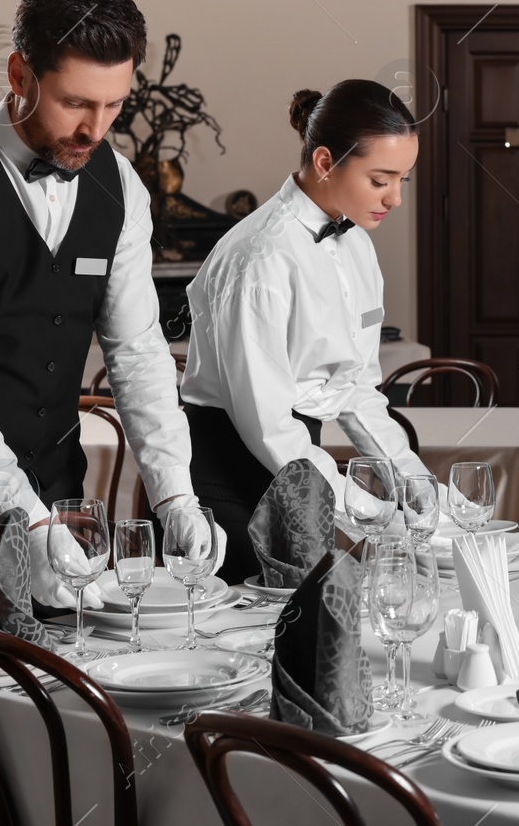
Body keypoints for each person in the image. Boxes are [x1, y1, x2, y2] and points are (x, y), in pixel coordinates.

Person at [0, 0, 222, 645]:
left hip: (60, 487)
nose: (95, 128)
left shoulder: (119, 186)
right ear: (19, 73)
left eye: (115, 105)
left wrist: (175, 494)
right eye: (75, 102)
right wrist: (24, 519)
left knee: (61, 696)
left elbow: (139, 352)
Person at [181, 79, 430, 583]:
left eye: (403, 179)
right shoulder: (259, 257)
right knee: (247, 637)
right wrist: (358, 504)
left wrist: (412, 479)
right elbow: (267, 422)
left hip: (300, 462)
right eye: (381, 180)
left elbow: (358, 389)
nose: (396, 198)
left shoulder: (357, 245)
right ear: (323, 162)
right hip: (232, 474)